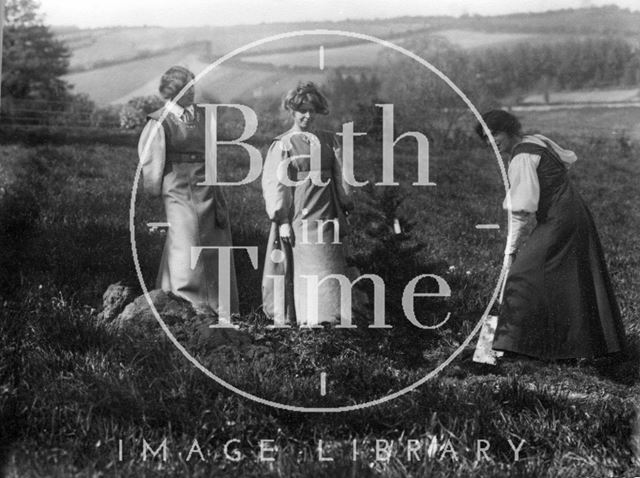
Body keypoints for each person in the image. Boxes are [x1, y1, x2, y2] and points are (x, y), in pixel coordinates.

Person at [475, 110, 626, 361]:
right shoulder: (537, 141)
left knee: (521, 275)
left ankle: (514, 347)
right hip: (574, 213)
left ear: (509, 129)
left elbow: (521, 212)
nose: (492, 141)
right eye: (486, 138)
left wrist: (510, 251)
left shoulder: (521, 158)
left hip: (560, 219)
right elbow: (562, 165)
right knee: (562, 279)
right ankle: (563, 348)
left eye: (494, 133)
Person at [138, 65, 238, 316]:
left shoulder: (203, 116)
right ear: (172, 90)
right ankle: (187, 305)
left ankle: (219, 307)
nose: (192, 91)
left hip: (206, 185)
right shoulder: (159, 121)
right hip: (178, 187)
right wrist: (155, 189)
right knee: (186, 241)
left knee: (215, 239)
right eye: (186, 87)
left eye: (193, 86)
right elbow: (151, 160)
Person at [261, 82, 353, 326]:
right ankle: (309, 323)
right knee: (305, 267)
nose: (307, 115)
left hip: (328, 213)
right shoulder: (283, 144)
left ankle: (333, 322)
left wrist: (346, 205)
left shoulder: (330, 141)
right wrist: (281, 220)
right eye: (302, 110)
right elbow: (276, 185)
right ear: (292, 110)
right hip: (298, 216)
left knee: (330, 267)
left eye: (312, 110)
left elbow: (341, 177)